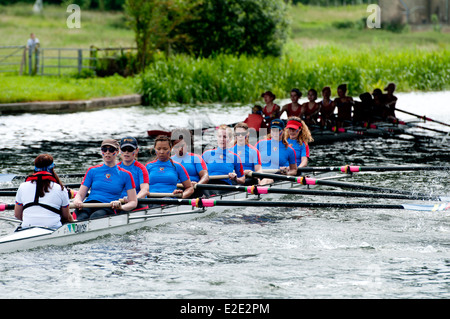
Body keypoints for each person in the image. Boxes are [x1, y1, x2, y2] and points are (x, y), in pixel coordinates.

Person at [73, 139, 137, 220]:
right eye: (104, 149)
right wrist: (77, 200)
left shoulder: (126, 175)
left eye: (111, 150)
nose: (107, 152)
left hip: (108, 207)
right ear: (101, 152)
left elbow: (133, 202)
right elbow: (80, 194)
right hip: (89, 204)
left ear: (117, 152)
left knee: (95, 217)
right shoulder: (92, 170)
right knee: (82, 217)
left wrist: (121, 207)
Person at [14, 154, 74, 229]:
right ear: (52, 168)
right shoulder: (60, 189)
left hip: (27, 226)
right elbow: (66, 217)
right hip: (53, 228)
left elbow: (17, 215)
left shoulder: (22, 186)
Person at [117, 136, 149, 209]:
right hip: (118, 202)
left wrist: (133, 199)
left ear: (136, 150)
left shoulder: (141, 168)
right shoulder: (115, 168)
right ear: (120, 150)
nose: (126, 152)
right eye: (124, 149)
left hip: (137, 203)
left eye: (130, 149)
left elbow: (145, 190)